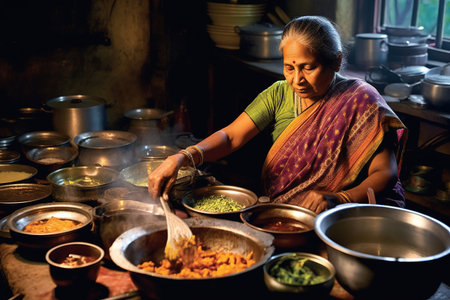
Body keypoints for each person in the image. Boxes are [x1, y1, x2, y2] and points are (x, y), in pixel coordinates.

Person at [148, 15, 407, 214]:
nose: (297, 80)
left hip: (344, 217)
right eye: (289, 67)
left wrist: (340, 197)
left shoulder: (361, 100)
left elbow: (385, 173)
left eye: (308, 67)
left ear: (337, 62)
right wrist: (183, 157)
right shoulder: (279, 93)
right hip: (285, 212)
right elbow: (231, 137)